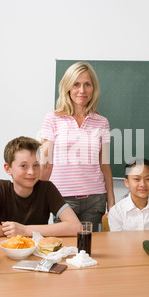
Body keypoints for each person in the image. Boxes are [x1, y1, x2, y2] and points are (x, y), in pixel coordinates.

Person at [40, 61, 115, 231]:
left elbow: (105, 165)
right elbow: (45, 164)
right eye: (76, 84)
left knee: (89, 249)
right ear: (68, 87)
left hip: (95, 199)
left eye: (87, 84)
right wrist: (38, 198)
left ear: (93, 88)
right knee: (65, 249)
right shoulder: (52, 119)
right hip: (62, 199)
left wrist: (111, 202)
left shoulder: (102, 122)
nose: (82, 90)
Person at [0, 136, 81, 238]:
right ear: (8, 168)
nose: (31, 172)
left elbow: (76, 227)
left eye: (36, 165)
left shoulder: (47, 189)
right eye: (24, 166)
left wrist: (25, 230)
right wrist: (15, 231)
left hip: (38, 252)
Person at [108, 159, 149, 231]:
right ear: (127, 182)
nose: (143, 184)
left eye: (148, 179)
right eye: (137, 179)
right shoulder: (116, 211)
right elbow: (117, 241)